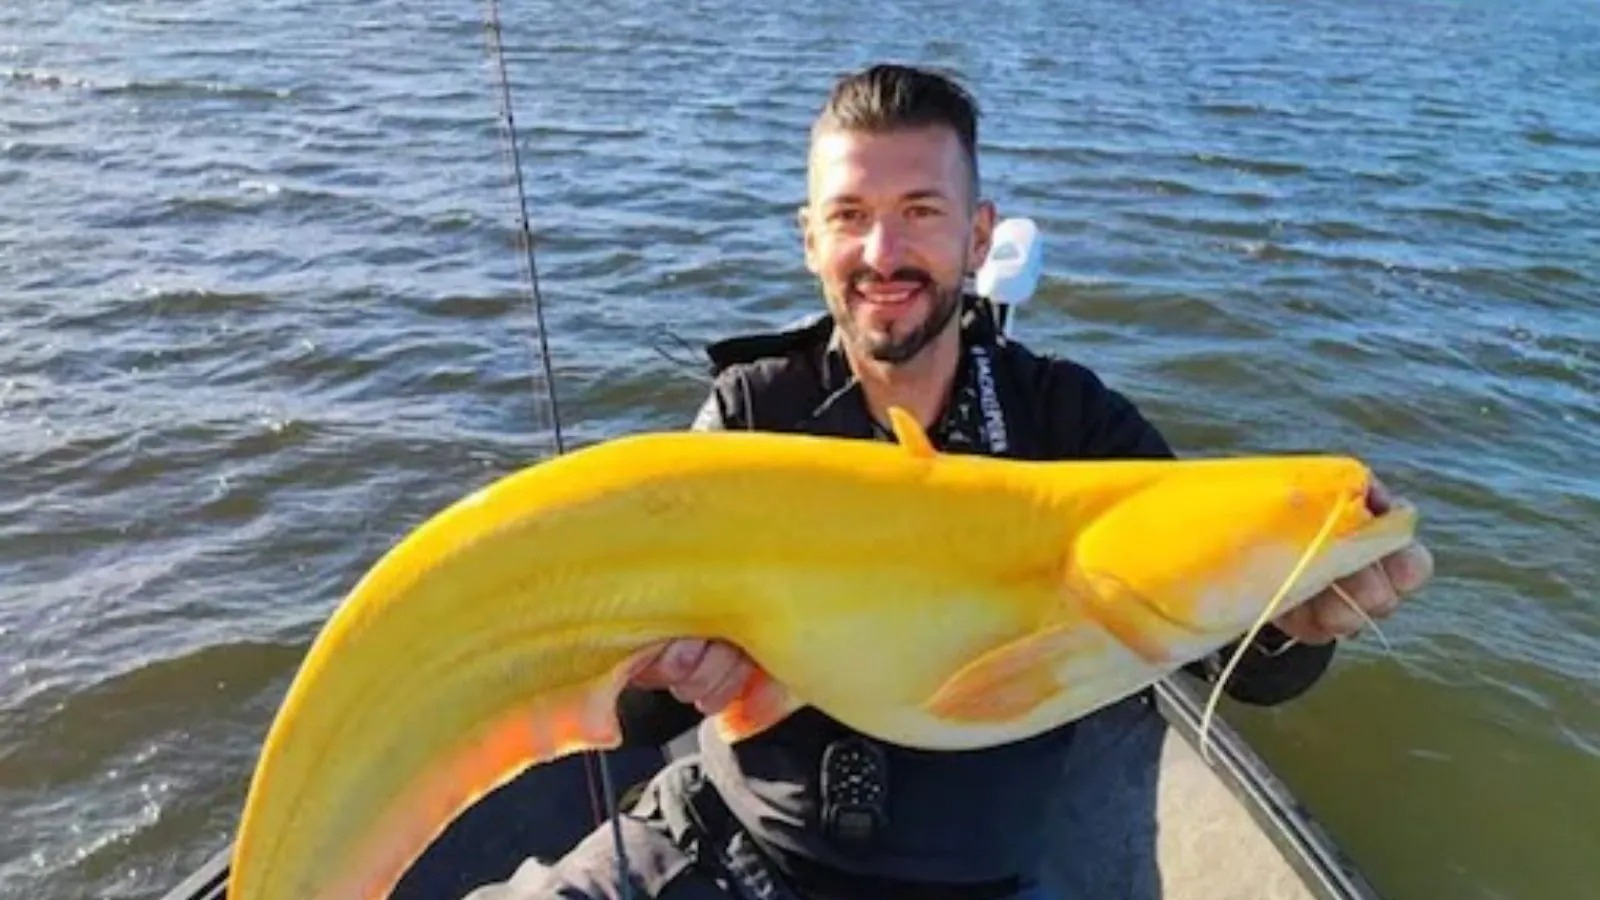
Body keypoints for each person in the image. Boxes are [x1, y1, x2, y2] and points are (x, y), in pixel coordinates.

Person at [466, 62, 1434, 900]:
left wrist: (1299, 621)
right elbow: (640, 711)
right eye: (850, 217)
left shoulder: (1071, 424)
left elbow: (1224, 649)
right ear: (810, 239)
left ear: (978, 238)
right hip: (732, 851)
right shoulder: (751, 412)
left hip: (976, 880)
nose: (882, 255)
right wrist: (670, 677)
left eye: (919, 214)